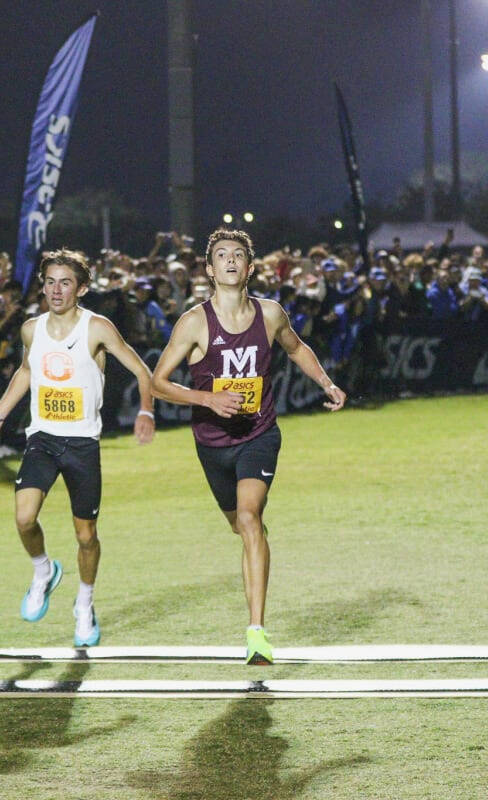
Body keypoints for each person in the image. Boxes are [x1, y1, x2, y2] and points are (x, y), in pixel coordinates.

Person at [150, 229, 346, 665]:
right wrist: (207, 399)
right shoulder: (195, 322)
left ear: (250, 267)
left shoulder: (271, 314)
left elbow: (296, 349)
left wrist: (327, 383)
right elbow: (158, 383)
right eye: (221, 255)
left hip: (259, 435)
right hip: (211, 444)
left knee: (249, 517)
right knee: (241, 527)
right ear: (209, 269)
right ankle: (255, 542)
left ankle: (256, 632)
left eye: (238, 255)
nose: (231, 261)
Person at [0, 248, 156, 648]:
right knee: (24, 518)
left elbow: (142, 370)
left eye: (66, 283)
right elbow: (25, 371)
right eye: (50, 282)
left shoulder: (97, 328)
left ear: (82, 288)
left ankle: (84, 606)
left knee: (86, 536)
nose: (56, 290)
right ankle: (43, 571)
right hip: (42, 438)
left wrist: (146, 411)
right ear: (42, 286)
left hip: (82, 444)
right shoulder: (30, 329)